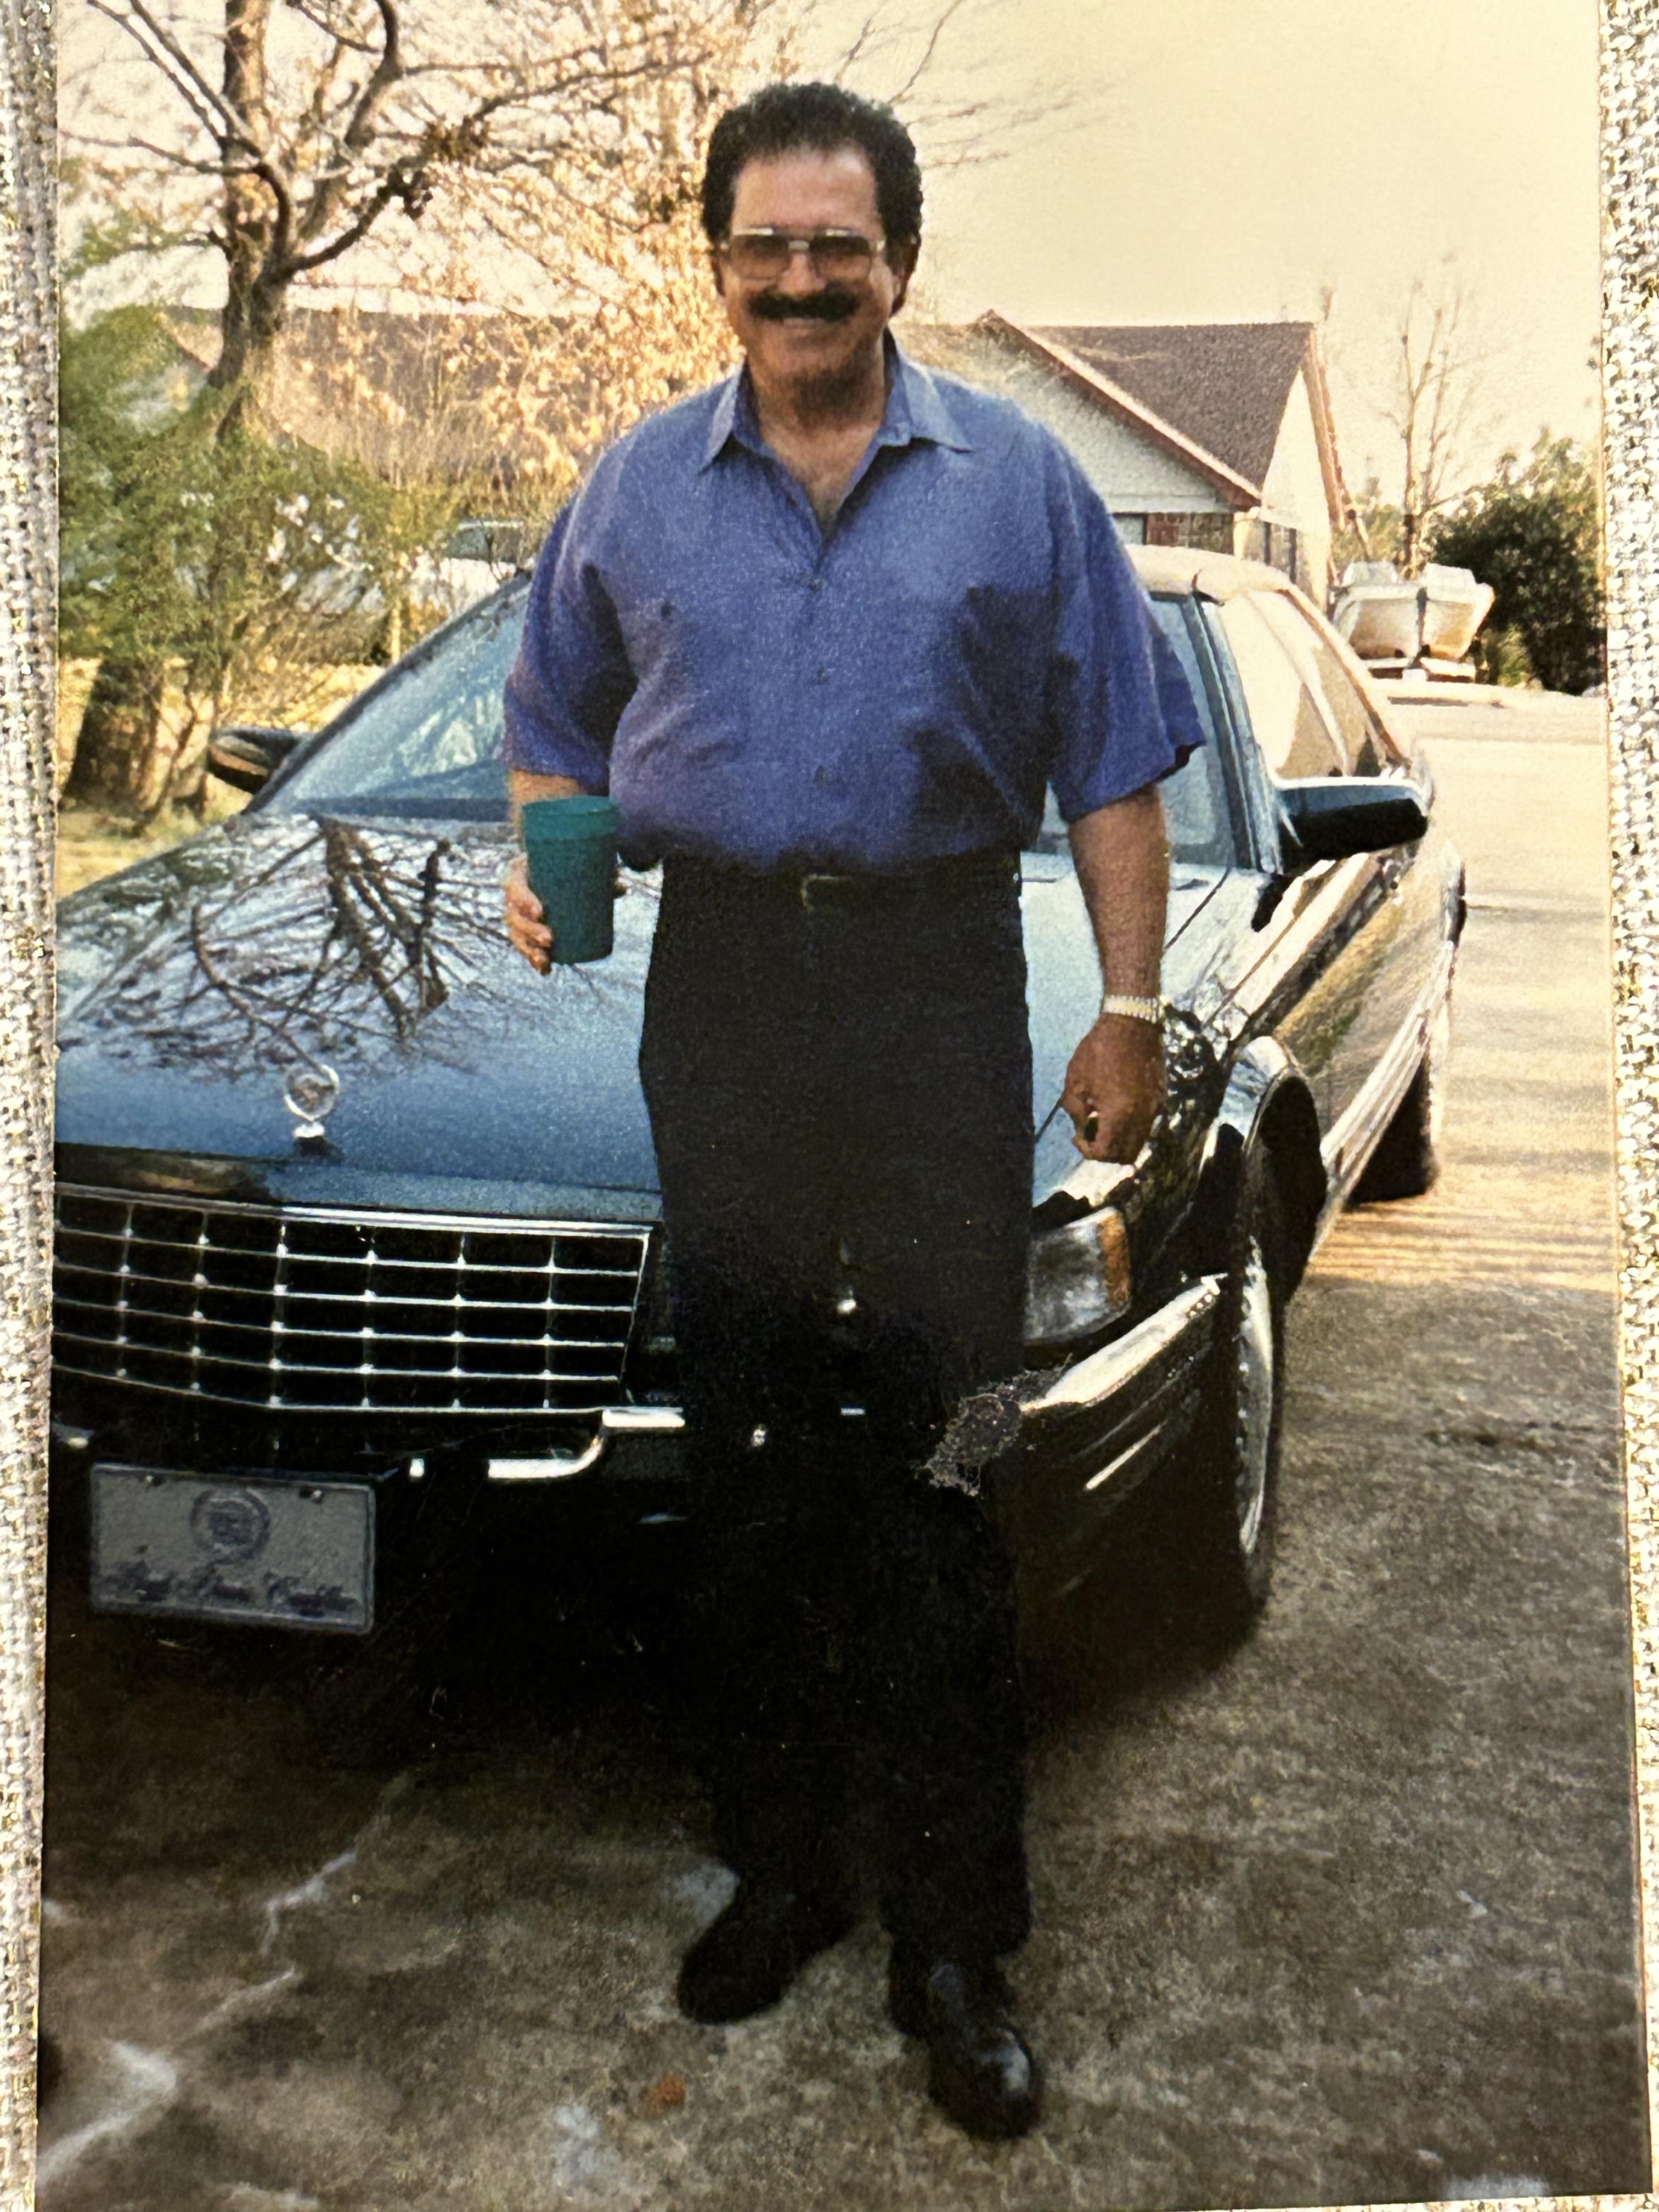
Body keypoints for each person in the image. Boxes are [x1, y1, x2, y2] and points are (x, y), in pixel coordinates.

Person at [502, 80, 1203, 2141]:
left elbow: (1115, 770)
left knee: (939, 1456)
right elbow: (551, 728)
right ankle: (790, 1871)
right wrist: (559, 874)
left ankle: (956, 1938)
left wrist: (1134, 1005)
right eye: (763, 244)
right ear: (716, 258)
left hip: (929, 986)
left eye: (840, 243)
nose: (801, 279)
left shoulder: (1021, 490)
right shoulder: (635, 488)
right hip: (717, 984)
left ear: (902, 258)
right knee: (743, 1447)